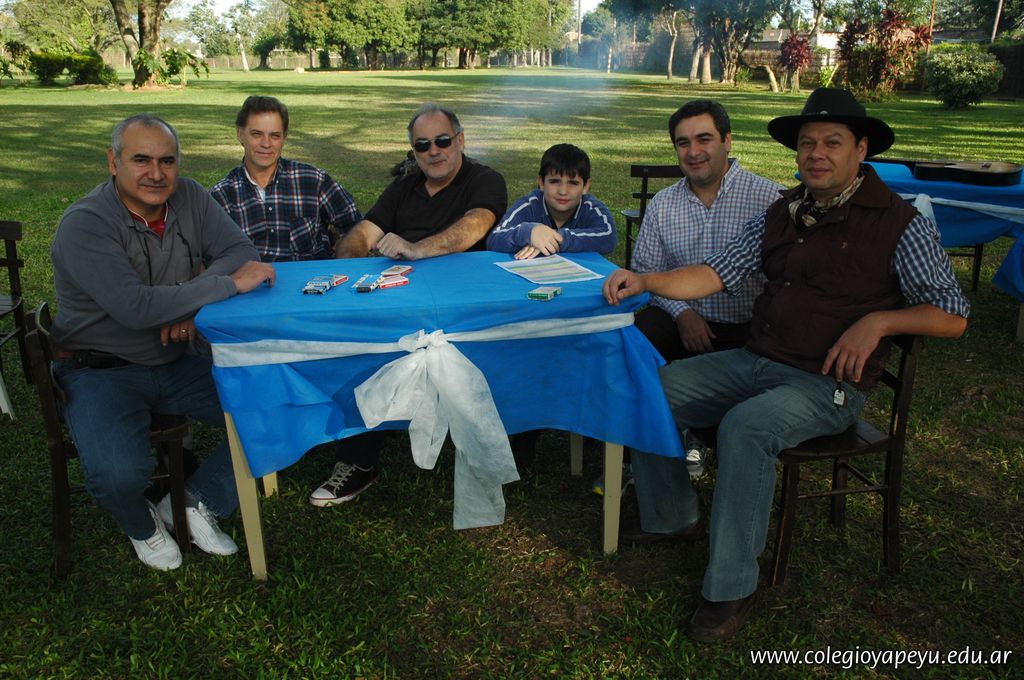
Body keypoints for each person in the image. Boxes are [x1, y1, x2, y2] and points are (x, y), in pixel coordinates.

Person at [602, 88, 969, 643]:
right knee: (651, 389)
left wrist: (879, 322)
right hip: (758, 358)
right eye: (807, 144)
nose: (816, 154)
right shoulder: (784, 211)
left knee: (745, 427)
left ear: (861, 149)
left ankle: (731, 586)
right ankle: (673, 516)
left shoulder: (899, 222)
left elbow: (953, 313)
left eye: (832, 143)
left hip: (828, 383)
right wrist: (646, 280)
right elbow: (716, 272)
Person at [50, 113, 276, 571]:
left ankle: (194, 500)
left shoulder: (190, 196)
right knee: (119, 476)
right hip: (100, 369)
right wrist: (225, 286)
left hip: (176, 358)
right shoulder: (85, 224)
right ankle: (142, 525)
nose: (156, 173)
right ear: (113, 162)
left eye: (167, 161)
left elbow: (240, 252)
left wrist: (189, 305)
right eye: (141, 160)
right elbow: (136, 308)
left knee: (274, 402)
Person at [311, 102, 507, 507]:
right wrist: (351, 267)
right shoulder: (404, 188)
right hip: (401, 303)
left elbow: (475, 225)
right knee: (361, 349)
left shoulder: (484, 180)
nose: (433, 151)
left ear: (460, 140)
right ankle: (358, 460)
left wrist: (418, 248)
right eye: (422, 145)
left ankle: (501, 443)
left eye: (442, 141)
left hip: (464, 308)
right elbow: (361, 234)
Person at [632, 99, 783, 361]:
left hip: (748, 327)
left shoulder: (769, 198)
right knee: (635, 336)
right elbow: (646, 270)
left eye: (704, 139)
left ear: (727, 140)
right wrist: (682, 313)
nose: (693, 152)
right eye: (683, 143)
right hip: (680, 320)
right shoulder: (663, 203)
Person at [210, 95, 361, 261]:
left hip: (312, 275)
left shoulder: (313, 180)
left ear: (284, 138)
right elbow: (211, 255)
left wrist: (346, 254)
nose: (266, 144)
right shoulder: (222, 196)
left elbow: (356, 224)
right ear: (240, 134)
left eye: (275, 136)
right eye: (257, 134)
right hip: (253, 277)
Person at [486, 143, 616, 259]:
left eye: (573, 183)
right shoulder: (529, 205)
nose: (563, 191)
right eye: (554, 181)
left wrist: (557, 239)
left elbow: (608, 237)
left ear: (586, 186)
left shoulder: (591, 208)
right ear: (541, 182)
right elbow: (494, 239)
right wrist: (529, 232)